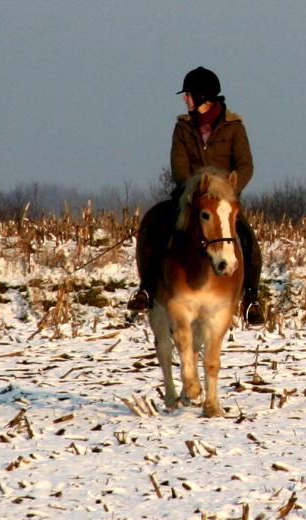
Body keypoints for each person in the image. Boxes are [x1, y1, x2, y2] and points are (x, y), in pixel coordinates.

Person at [129, 66, 264, 326]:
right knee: (157, 228)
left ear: (203, 96)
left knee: (249, 242)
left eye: (188, 94)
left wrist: (229, 189)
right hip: (190, 197)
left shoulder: (234, 127)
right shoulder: (183, 127)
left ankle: (251, 298)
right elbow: (178, 166)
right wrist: (192, 189)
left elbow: (246, 165)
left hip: (222, 201)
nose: (185, 98)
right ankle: (146, 288)